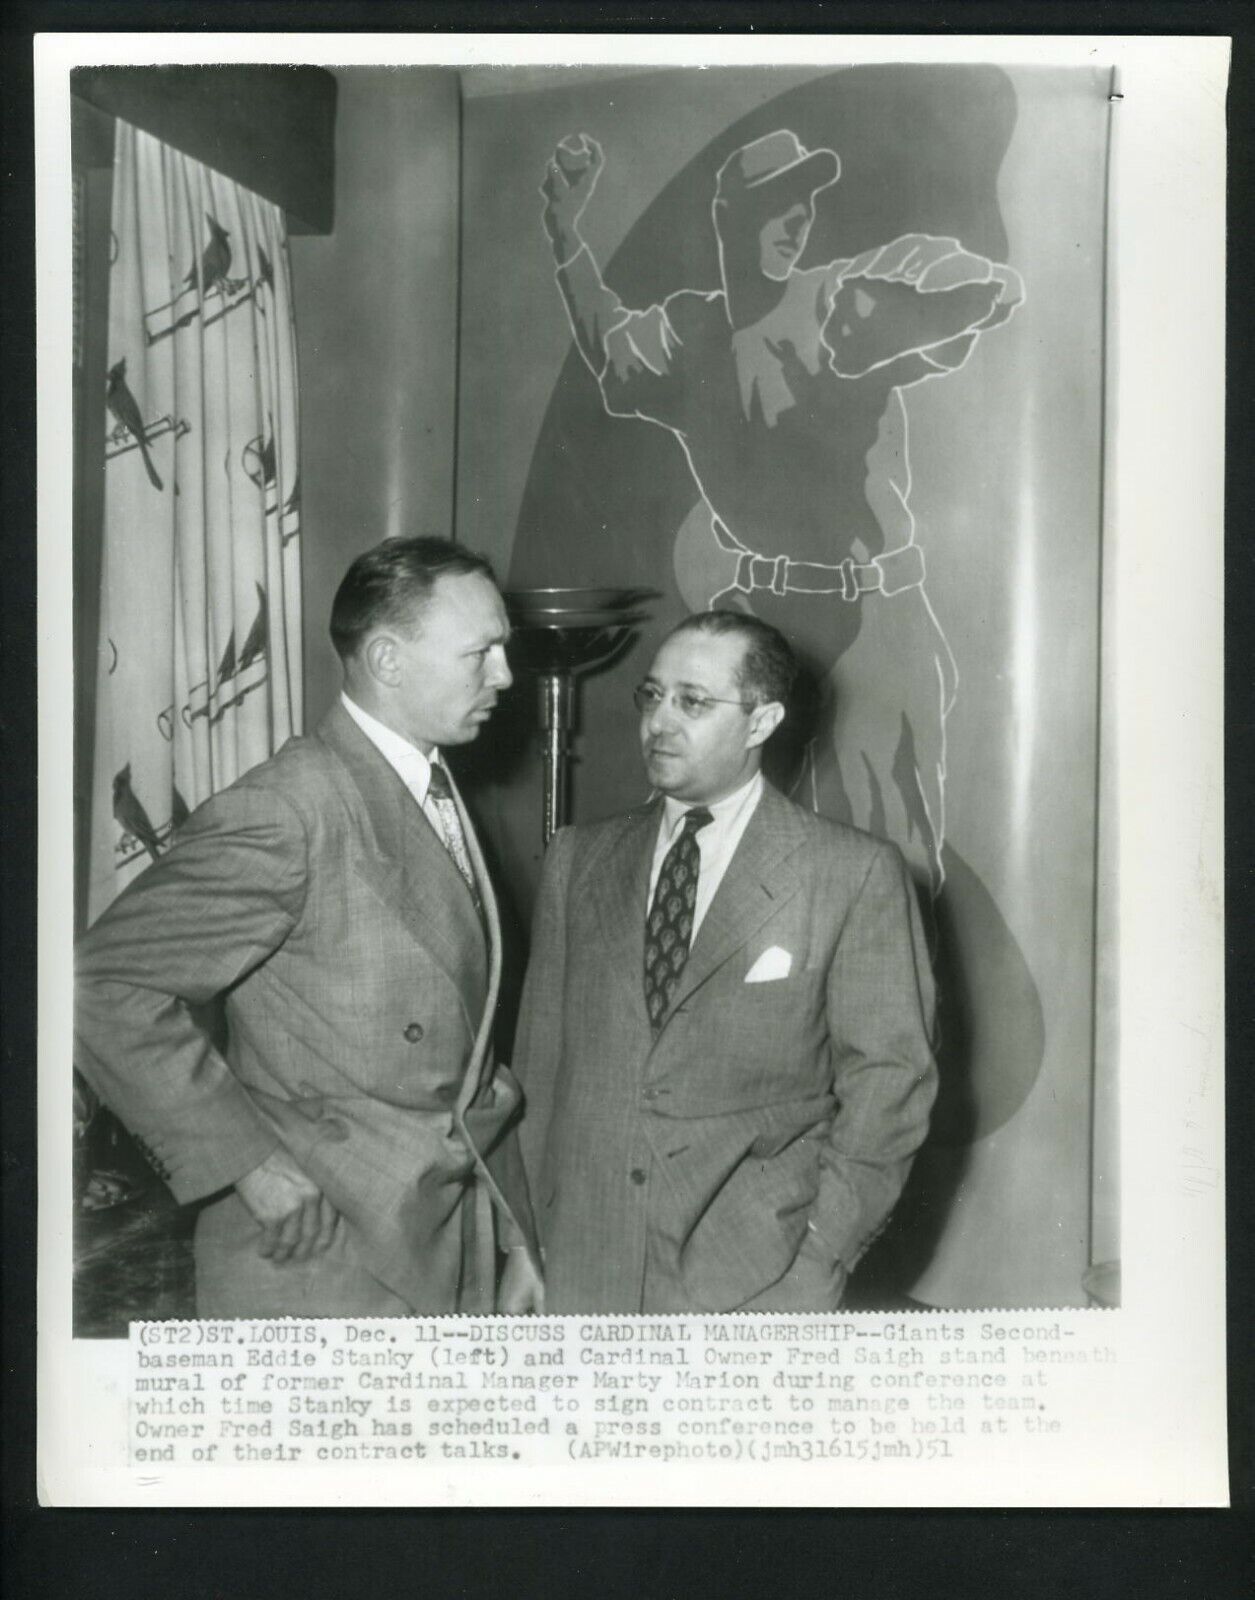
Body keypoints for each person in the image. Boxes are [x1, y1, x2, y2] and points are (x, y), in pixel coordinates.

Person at [541, 128, 1025, 895]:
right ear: (728, 216)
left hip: (873, 633)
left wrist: (941, 301)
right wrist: (566, 234)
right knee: (732, 869)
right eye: (777, 202)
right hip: (764, 627)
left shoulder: (837, 296)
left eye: (805, 200)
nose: (798, 218)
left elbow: (954, 277)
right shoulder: (689, 334)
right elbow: (609, 345)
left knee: (883, 879)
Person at [75, 537, 543, 1317]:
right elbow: (103, 982)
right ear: (389, 661)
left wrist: (517, 1234)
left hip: (435, 1238)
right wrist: (249, 1165)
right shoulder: (291, 807)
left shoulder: (429, 781)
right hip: (321, 1258)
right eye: (480, 652)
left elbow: (471, 1057)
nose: (504, 675)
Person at [513, 610, 937, 1313]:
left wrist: (817, 1259)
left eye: (692, 701)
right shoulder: (578, 859)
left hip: (754, 1277)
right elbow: (539, 1063)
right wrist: (525, 1245)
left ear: (762, 721)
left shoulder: (849, 874)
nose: (659, 721)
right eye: (651, 696)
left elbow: (890, 1088)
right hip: (583, 1266)